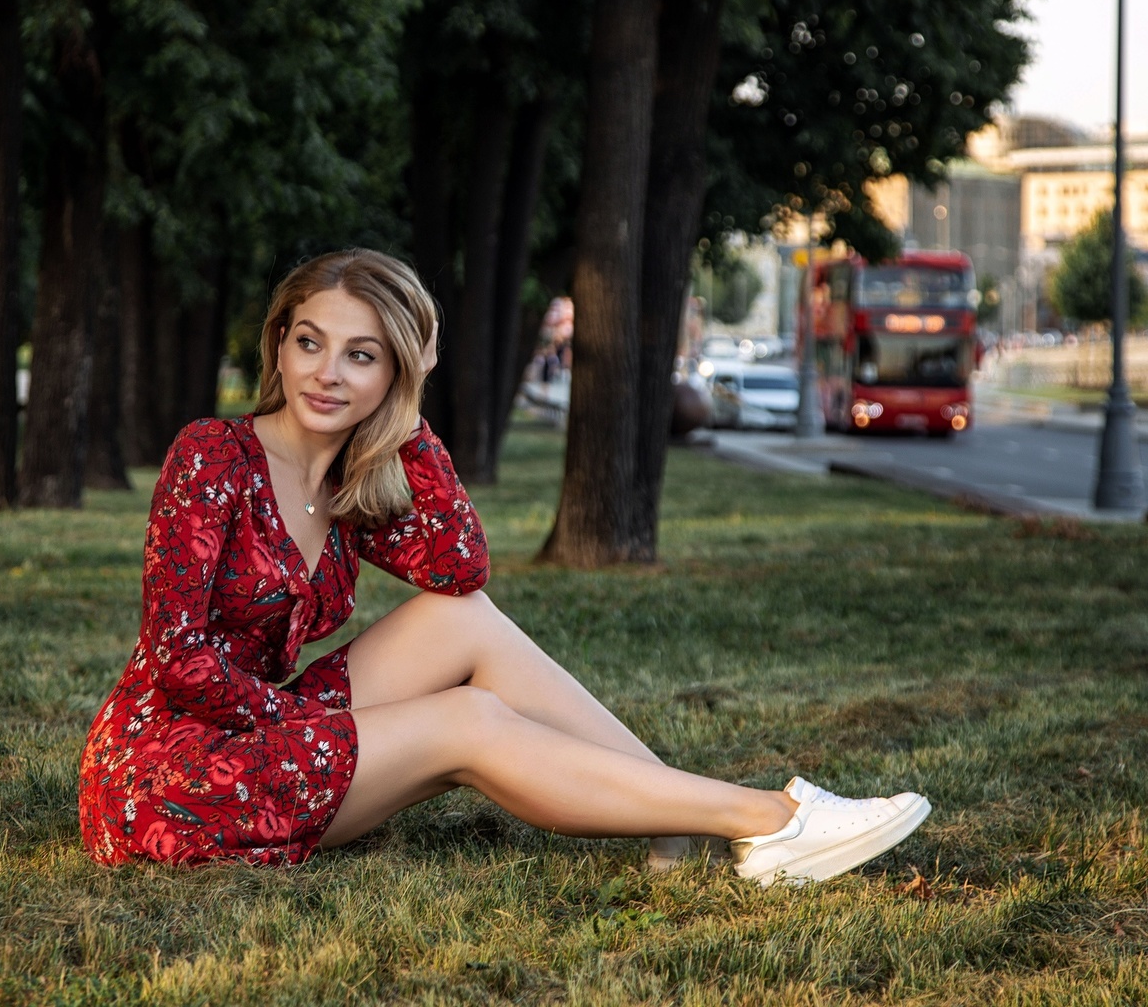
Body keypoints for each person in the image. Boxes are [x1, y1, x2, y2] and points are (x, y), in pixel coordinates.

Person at [78, 249, 930, 886]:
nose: (326, 374)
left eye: (363, 356)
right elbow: (180, 658)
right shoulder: (213, 456)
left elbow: (459, 568)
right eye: (310, 343)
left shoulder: (352, 485)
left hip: (259, 729)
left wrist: (406, 424)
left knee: (463, 623)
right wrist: (301, 727)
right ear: (281, 344)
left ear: (397, 372)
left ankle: (667, 823)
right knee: (467, 720)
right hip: (167, 772)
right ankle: (772, 821)